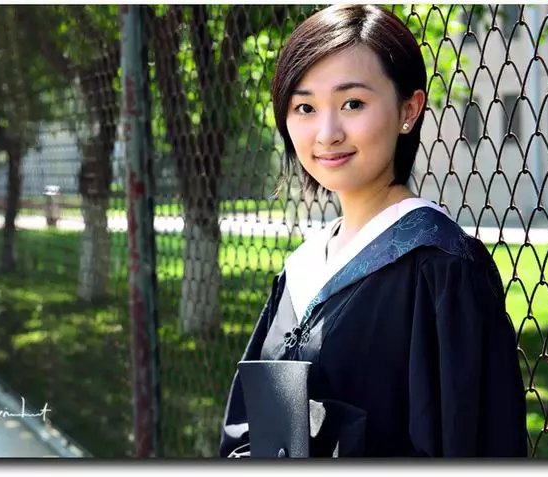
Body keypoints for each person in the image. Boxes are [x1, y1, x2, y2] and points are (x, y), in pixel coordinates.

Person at [219, 4, 528, 458]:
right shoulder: (302, 271)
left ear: (409, 109)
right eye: (305, 107)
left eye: (353, 104)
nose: (326, 133)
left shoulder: (442, 271)